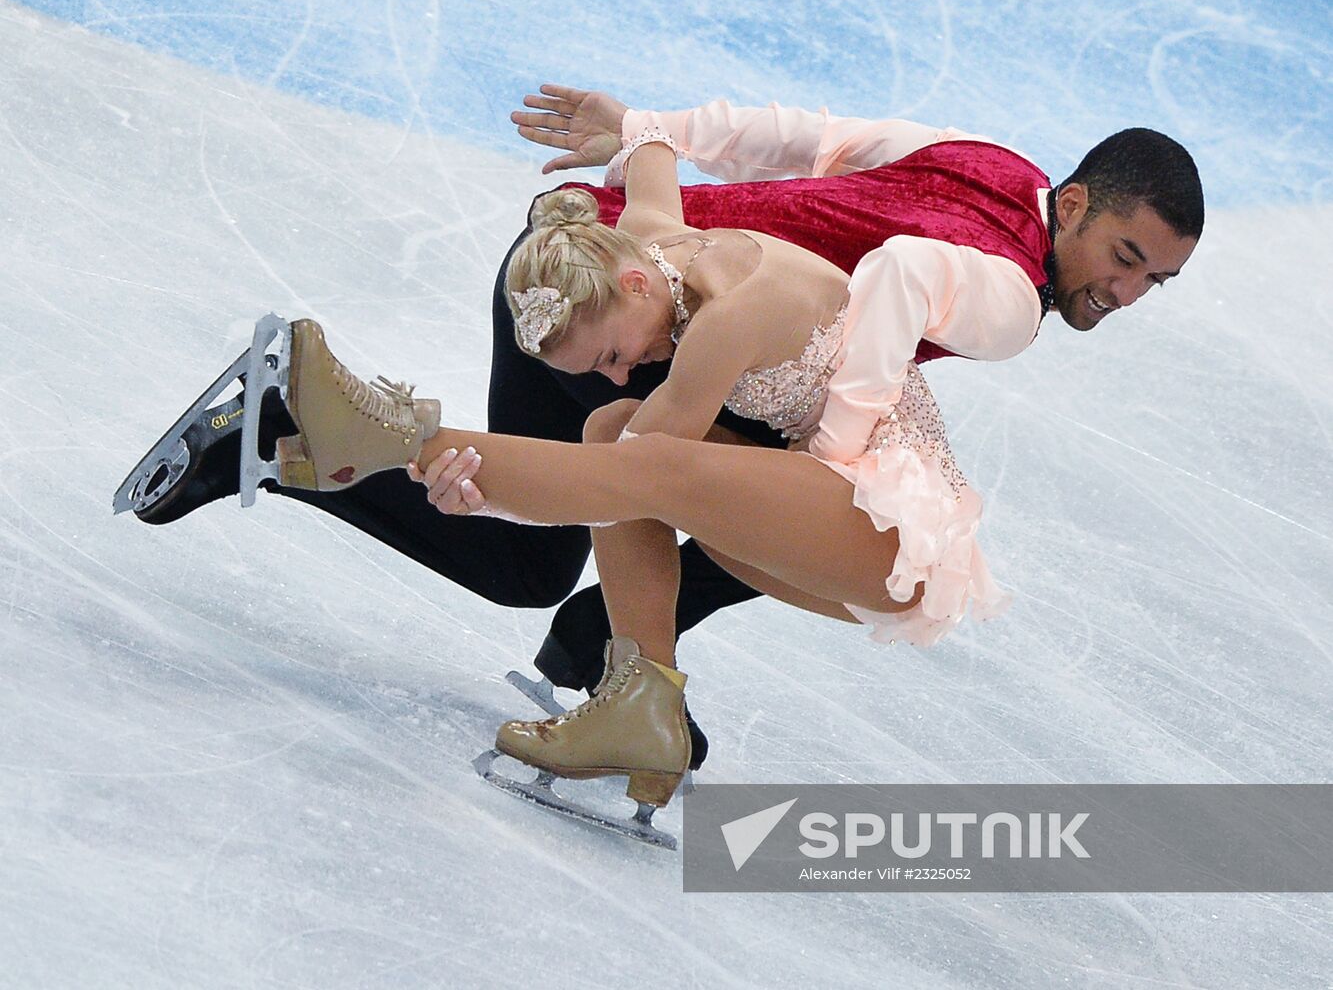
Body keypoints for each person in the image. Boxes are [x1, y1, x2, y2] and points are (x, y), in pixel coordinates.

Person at [129, 87, 1203, 770]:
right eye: (1123, 258)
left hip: (596, 267)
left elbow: (810, 136)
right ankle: (302, 427)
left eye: (1154, 279)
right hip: (617, 312)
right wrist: (839, 452)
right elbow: (904, 271)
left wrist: (653, 133)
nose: (1127, 291)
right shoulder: (1011, 295)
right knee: (544, 539)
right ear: (1071, 207)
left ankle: (618, 660)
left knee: (633, 464)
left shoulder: (984, 163)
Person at [244, 123, 1047, 806]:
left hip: (893, 541)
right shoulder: (660, 246)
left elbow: (626, 481)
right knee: (609, 422)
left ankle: (382, 437)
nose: (624, 368)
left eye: (615, 351)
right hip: (814, 508)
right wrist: (627, 127)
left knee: (644, 455)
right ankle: (640, 701)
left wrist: (464, 482)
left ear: (631, 284)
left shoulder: (733, 315)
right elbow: (653, 152)